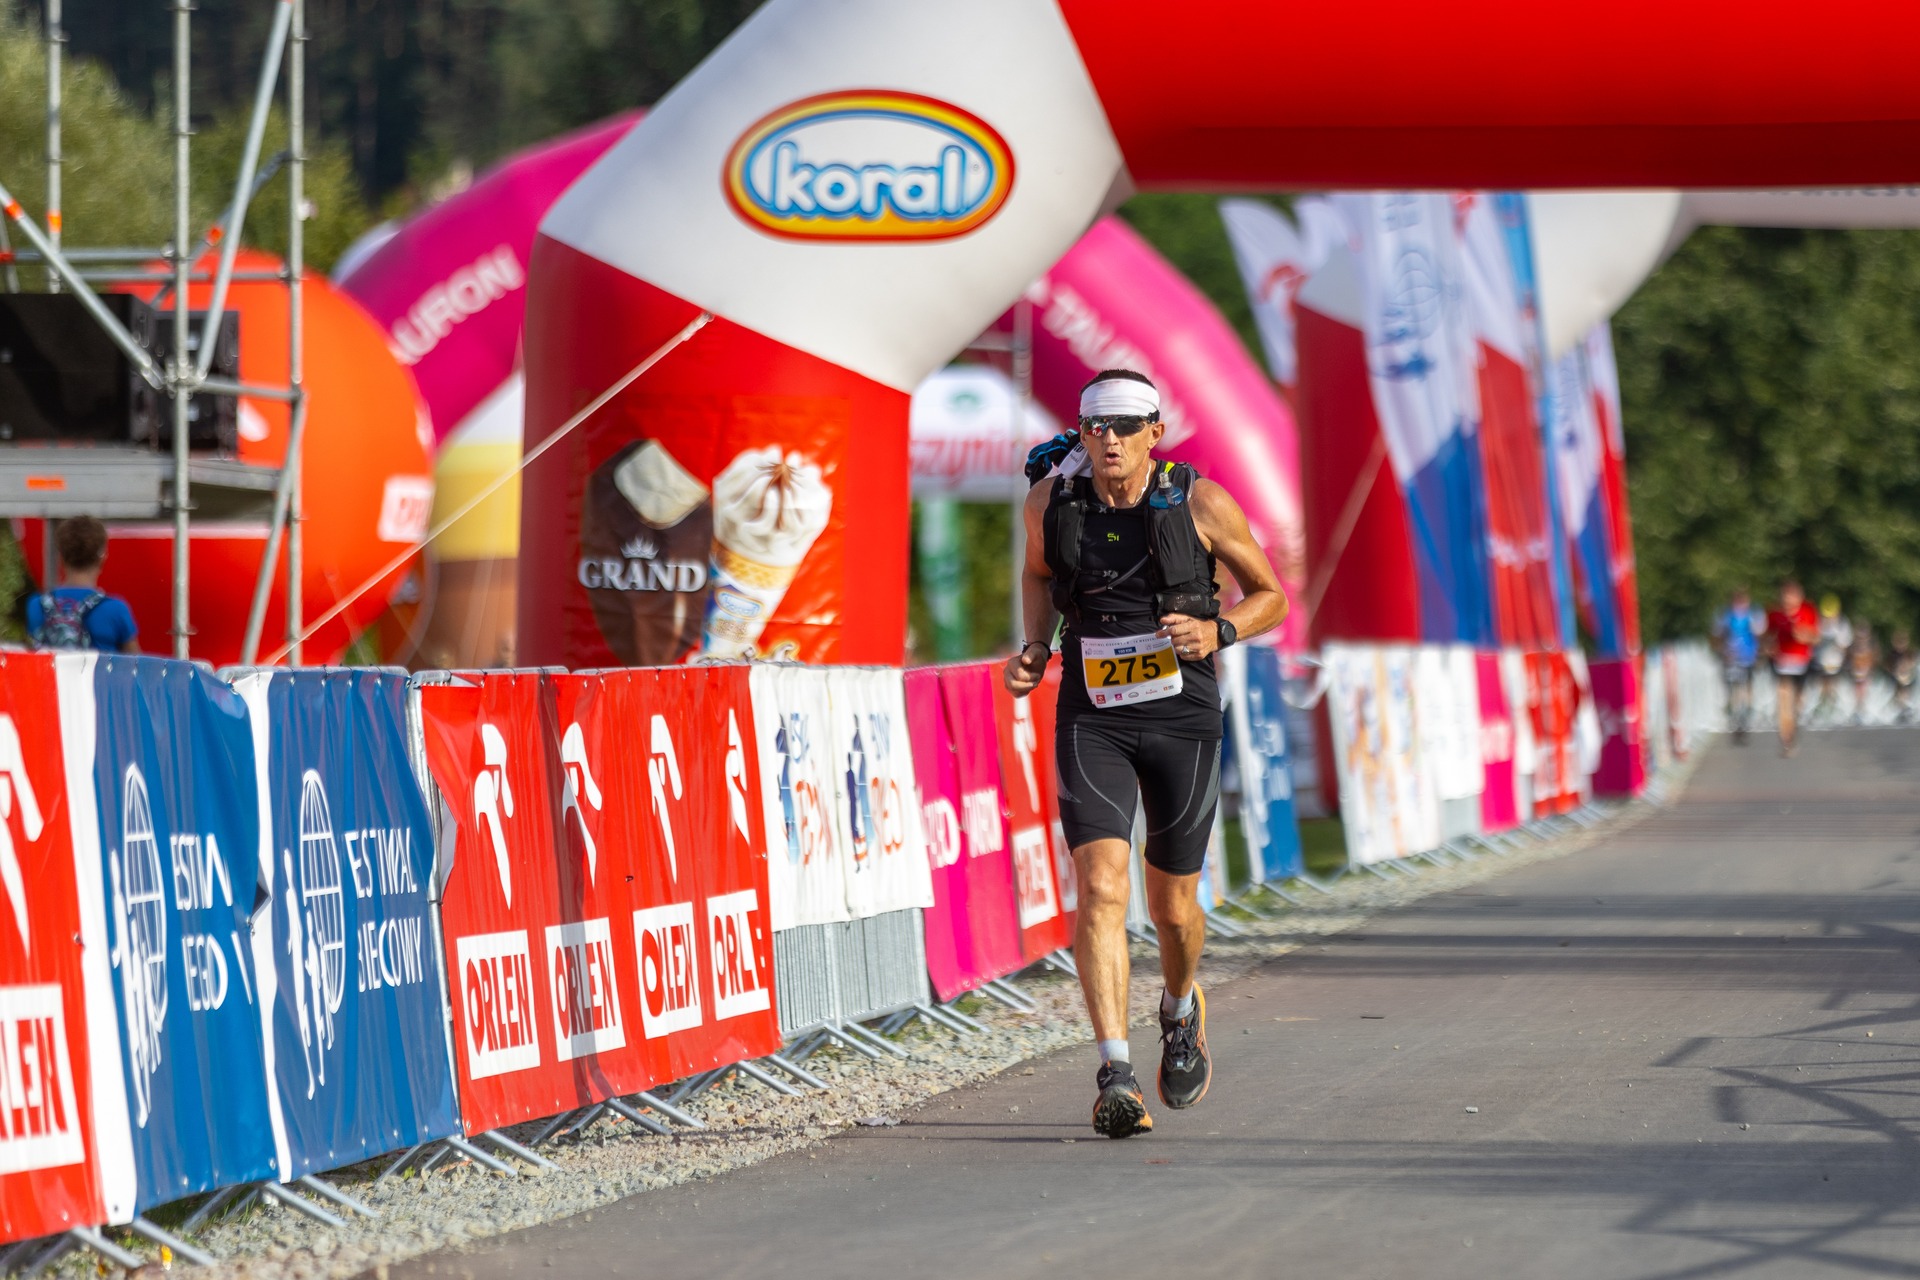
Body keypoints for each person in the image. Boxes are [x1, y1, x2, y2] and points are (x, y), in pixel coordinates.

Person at [1004, 369, 1288, 1139]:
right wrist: (1035, 646)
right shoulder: (1051, 502)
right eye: (1098, 427)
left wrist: (1219, 630)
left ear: (1155, 433)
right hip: (1092, 716)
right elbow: (1037, 573)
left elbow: (1271, 595)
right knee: (1101, 886)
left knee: (1173, 910)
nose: (1112, 440)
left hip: (1181, 718)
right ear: (1083, 432)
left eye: (1128, 426)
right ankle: (1115, 1074)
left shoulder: (1200, 502)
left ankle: (1180, 1007)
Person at [26, 517, 139, 653]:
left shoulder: (37, 605)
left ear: (61, 556)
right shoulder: (116, 609)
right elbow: (136, 663)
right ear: (102, 557)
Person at [1764, 580, 1818, 756]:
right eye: (1785, 596)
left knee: (1798, 703)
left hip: (1802, 662)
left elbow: (1816, 637)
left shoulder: (1808, 611)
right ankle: (1786, 739)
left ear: (1799, 597)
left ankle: (1794, 729)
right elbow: (1768, 636)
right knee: (1783, 701)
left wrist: (1804, 635)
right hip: (1782, 662)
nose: (1788, 600)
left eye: (1791, 596)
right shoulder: (1774, 614)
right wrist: (1768, 646)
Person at [1712, 589, 1763, 742]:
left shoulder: (1753, 614)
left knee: (1746, 688)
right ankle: (1736, 718)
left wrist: (1759, 653)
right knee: (1733, 690)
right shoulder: (1725, 615)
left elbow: (1760, 634)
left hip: (1748, 657)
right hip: (1731, 658)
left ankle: (1745, 716)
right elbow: (1717, 634)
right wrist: (1721, 651)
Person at [1810, 594, 1852, 724]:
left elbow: (1845, 645)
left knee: (1834, 687)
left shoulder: (1842, 624)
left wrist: (1835, 643)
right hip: (1820, 661)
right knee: (1820, 687)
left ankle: (1835, 710)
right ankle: (1821, 710)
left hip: (1835, 662)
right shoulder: (1819, 623)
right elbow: (1813, 641)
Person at [1848, 621, 1878, 724]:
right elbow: (1850, 660)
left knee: (1865, 691)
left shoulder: (1872, 647)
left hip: (1867, 673)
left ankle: (1863, 711)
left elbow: (1874, 660)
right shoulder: (1852, 647)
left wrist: (1869, 670)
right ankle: (1857, 710)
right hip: (1856, 673)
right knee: (1857, 691)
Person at [1889, 629, 1918, 724]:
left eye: (1903, 640)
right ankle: (1901, 708)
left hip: (1910, 683)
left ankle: (1908, 708)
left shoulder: (1911, 654)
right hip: (1896, 684)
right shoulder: (1891, 656)